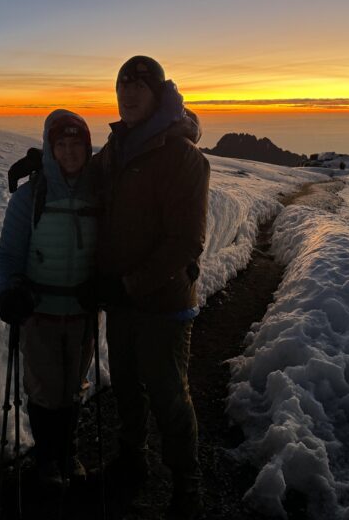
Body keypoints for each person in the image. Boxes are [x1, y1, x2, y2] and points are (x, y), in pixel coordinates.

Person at [93, 55, 210, 519]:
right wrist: (45, 164)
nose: (129, 92)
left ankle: (188, 485)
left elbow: (185, 241)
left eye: (140, 85)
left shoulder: (183, 157)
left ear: (158, 94)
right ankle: (132, 460)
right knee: (124, 386)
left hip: (162, 303)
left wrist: (131, 285)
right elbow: (83, 179)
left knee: (167, 395)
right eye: (123, 86)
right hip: (121, 301)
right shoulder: (117, 148)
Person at [0, 109, 98, 488]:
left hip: (82, 313)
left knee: (73, 387)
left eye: (77, 144)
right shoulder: (30, 197)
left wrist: (104, 281)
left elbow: (110, 247)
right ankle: (47, 457)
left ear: (88, 148)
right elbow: (8, 255)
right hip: (40, 312)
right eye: (61, 145)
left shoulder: (100, 192)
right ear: (50, 149)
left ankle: (66, 453)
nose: (69, 153)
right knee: (44, 389)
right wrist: (7, 292)